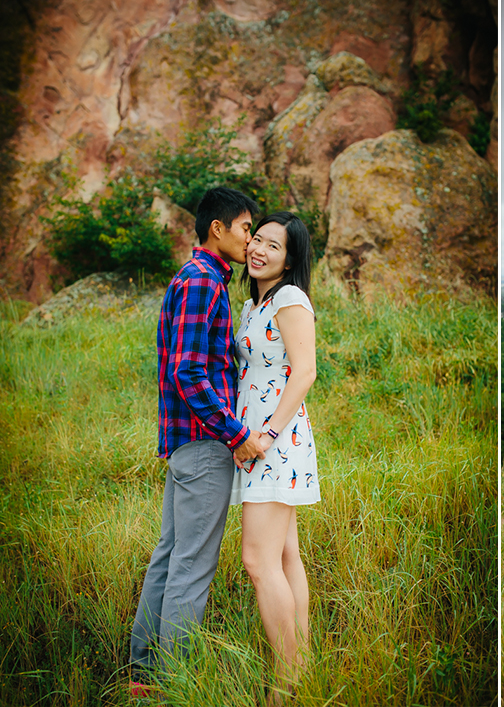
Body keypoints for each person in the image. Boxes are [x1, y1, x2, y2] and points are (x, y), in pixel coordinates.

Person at [130, 187, 269, 696]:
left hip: (189, 445)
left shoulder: (198, 279)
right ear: (219, 228)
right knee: (191, 565)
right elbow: (188, 372)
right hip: (206, 447)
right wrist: (237, 435)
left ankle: (144, 676)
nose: (250, 238)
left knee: (170, 556)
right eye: (246, 228)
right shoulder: (203, 282)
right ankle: (174, 684)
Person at [231, 211, 320, 701]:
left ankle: (285, 685)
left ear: (289, 262)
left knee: (257, 560)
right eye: (257, 240)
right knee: (285, 555)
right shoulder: (253, 305)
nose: (259, 250)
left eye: (273, 246)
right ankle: (302, 667)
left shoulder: (289, 298)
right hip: (261, 440)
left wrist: (264, 434)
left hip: (274, 442)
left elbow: (304, 372)